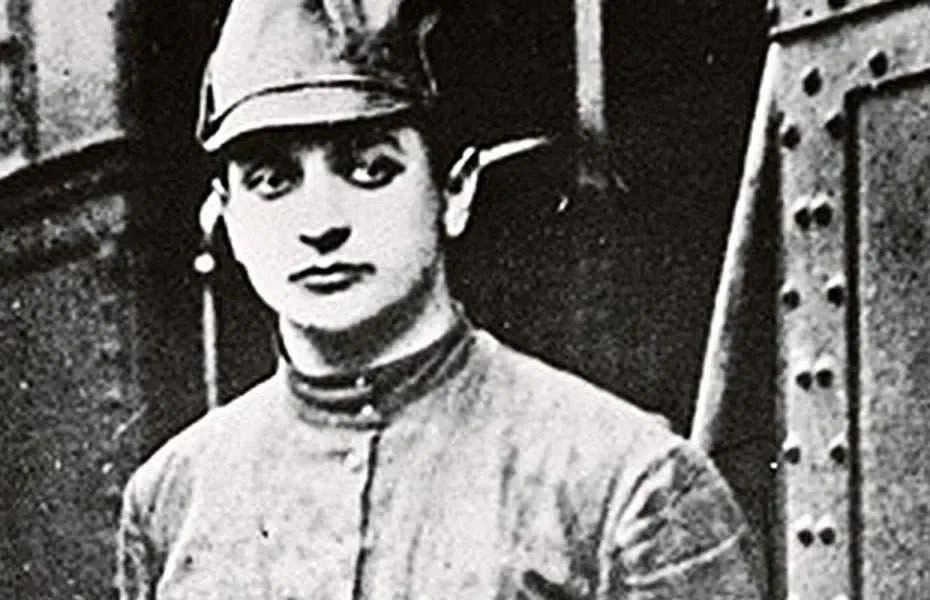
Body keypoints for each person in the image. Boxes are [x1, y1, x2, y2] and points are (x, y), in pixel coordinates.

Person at [116, 0, 762, 598]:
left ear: (455, 191)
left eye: (371, 169)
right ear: (228, 216)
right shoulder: (171, 499)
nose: (321, 223)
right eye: (272, 180)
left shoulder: (630, 485)